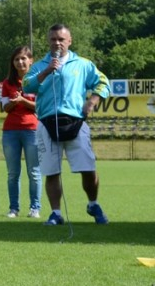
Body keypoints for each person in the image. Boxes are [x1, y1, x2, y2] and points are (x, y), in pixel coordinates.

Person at [22, 24, 110, 226]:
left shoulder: (83, 64)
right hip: (46, 122)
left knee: (88, 167)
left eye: (61, 39)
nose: (57, 43)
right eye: (53, 39)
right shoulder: (39, 66)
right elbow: (26, 85)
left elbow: (103, 82)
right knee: (51, 171)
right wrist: (46, 71)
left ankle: (93, 204)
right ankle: (56, 213)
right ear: (48, 41)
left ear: (69, 41)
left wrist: (92, 101)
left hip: (76, 122)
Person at [0, 46, 41, 218]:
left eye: (23, 58)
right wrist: (14, 101)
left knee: (34, 172)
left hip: (32, 130)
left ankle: (35, 208)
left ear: (31, 60)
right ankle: (14, 209)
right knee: (13, 173)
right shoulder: (7, 83)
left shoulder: (38, 81)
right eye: (17, 59)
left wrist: (22, 100)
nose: (20, 62)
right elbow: (4, 107)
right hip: (10, 132)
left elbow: (40, 106)